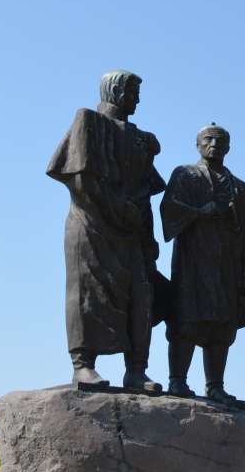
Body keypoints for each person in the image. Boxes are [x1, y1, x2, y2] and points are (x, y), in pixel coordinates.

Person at [47, 70, 165, 392]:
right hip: (91, 224)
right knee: (86, 291)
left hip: (131, 230)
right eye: (134, 92)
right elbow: (81, 180)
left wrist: (149, 235)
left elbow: (146, 193)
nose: (137, 99)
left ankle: (136, 370)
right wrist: (119, 206)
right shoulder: (89, 122)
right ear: (117, 92)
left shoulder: (141, 139)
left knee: (141, 292)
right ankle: (83, 365)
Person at [160, 124, 245, 402]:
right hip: (193, 261)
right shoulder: (185, 174)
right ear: (197, 145)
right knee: (187, 318)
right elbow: (168, 209)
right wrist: (198, 213)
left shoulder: (239, 187)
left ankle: (215, 386)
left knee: (222, 324)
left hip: (227, 263)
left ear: (229, 147)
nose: (214, 144)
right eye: (208, 139)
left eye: (221, 141)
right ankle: (177, 381)